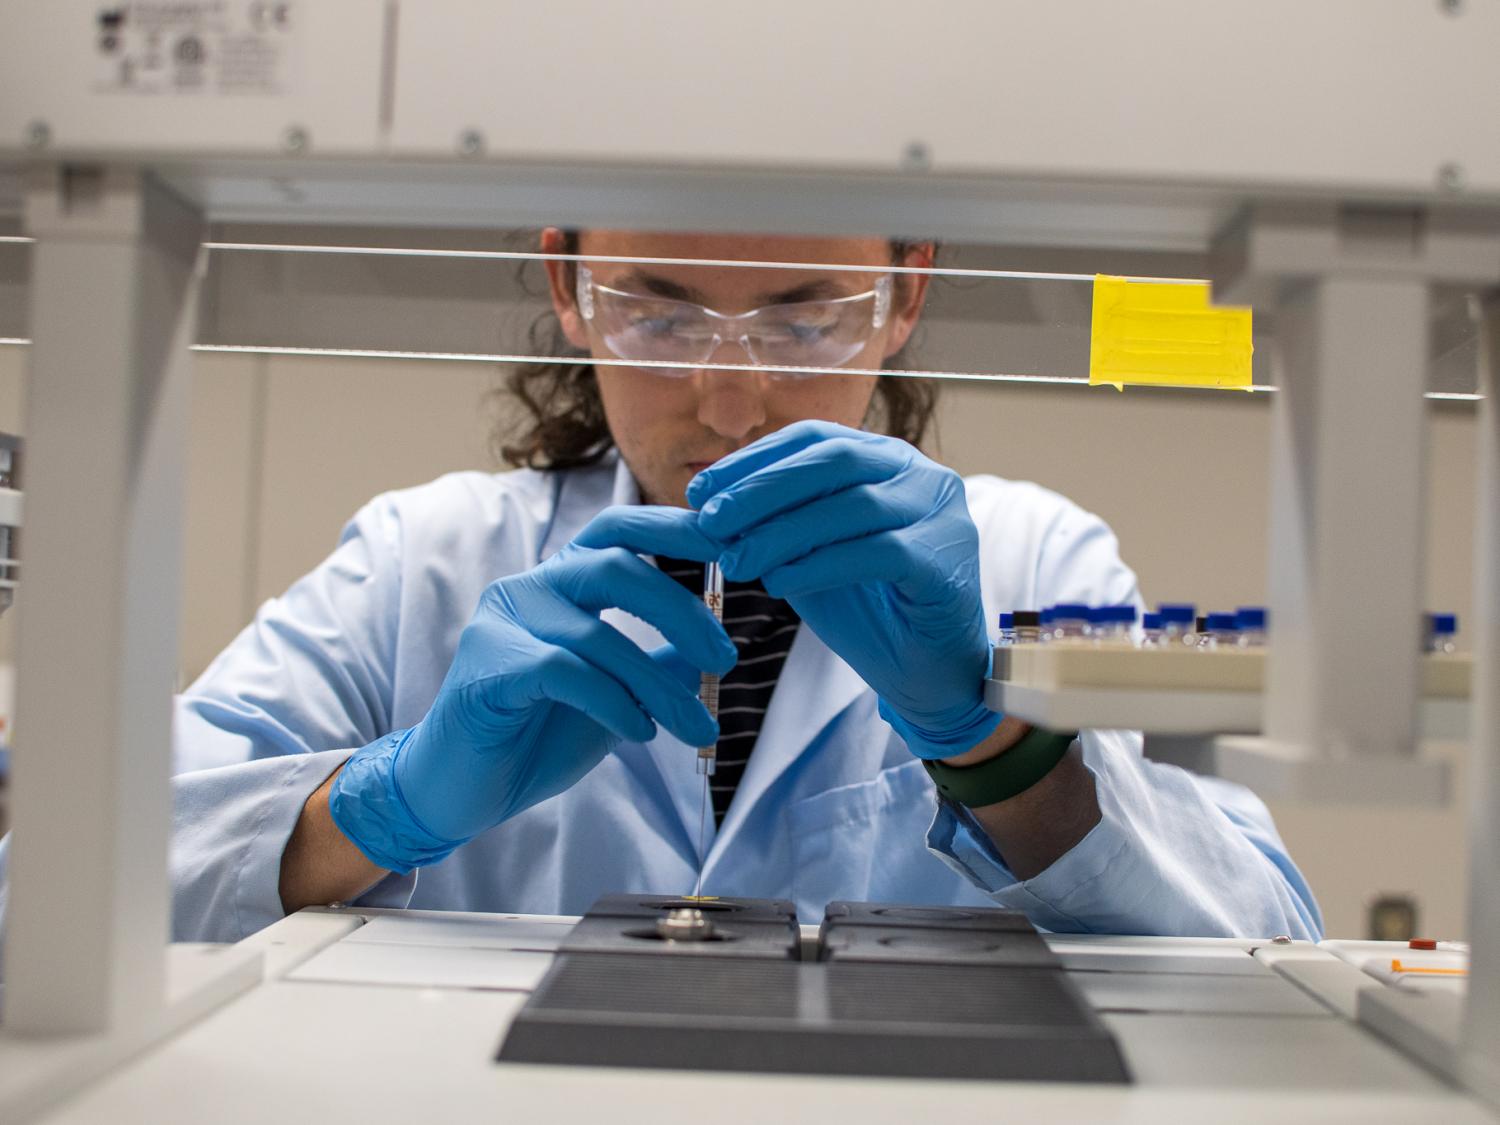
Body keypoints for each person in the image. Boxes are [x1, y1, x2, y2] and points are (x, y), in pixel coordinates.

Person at [1, 228, 1323, 945]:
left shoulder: (1032, 560)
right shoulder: (421, 562)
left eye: (804, 316)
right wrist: (385, 803)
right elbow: (40, 896)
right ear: (571, 285)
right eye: (662, 312)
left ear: (905, 291)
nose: (731, 399)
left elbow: (1266, 938)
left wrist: (999, 752)